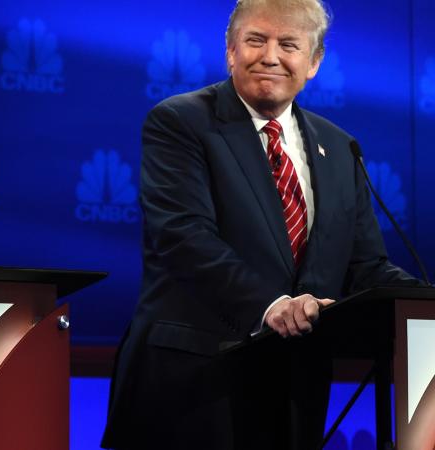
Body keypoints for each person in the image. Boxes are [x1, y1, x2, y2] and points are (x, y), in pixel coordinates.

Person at [102, 0, 420, 448]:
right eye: (256, 40)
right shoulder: (180, 122)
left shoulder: (339, 146)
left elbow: (364, 265)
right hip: (194, 388)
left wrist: (422, 305)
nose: (270, 55)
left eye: (288, 44)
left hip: (294, 390)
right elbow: (183, 237)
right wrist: (272, 305)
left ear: (313, 63)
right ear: (231, 51)